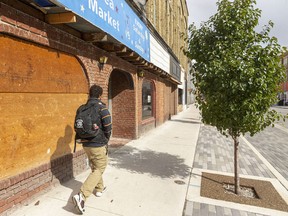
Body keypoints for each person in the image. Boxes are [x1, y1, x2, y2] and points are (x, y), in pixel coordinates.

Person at [72, 84, 112, 214]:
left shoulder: (81, 108)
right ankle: (82, 196)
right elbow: (108, 127)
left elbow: (77, 126)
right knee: (100, 167)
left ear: (89, 94)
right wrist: (105, 140)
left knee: (95, 166)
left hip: (85, 144)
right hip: (98, 144)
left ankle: (99, 188)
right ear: (100, 95)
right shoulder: (102, 108)